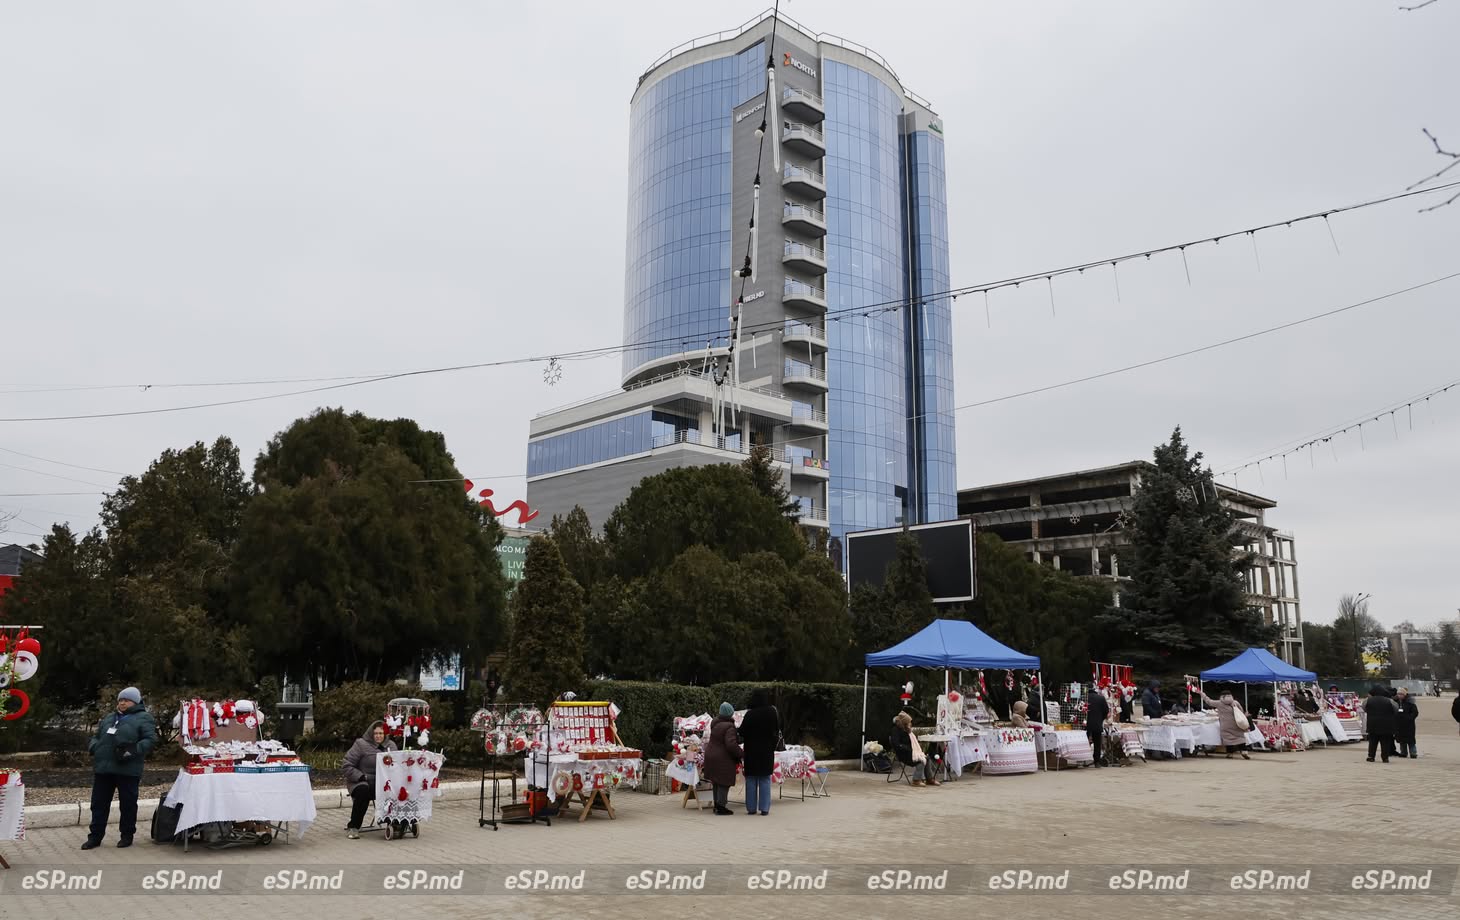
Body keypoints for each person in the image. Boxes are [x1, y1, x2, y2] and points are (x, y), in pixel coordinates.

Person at [83, 687, 158, 850]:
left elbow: (150, 739)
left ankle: (127, 835)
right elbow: (96, 737)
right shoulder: (109, 717)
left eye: (127, 700)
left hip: (128, 769)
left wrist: (131, 751)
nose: (123, 702)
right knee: (98, 804)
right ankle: (95, 837)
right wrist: (94, 747)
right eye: (121, 700)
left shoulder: (144, 718)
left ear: (135, 702)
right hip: (104, 768)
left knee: (128, 804)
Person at [343, 720, 397, 838]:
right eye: (376, 733)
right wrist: (361, 776)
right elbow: (347, 765)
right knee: (363, 791)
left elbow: (397, 765)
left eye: (381, 733)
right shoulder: (361, 744)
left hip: (383, 783)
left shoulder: (391, 746)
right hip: (363, 780)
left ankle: (398, 823)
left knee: (399, 790)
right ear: (371, 734)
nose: (378, 736)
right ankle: (354, 826)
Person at [737, 690, 782, 815]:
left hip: (751, 751)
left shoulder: (750, 714)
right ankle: (764, 808)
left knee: (751, 779)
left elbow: (741, 732)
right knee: (765, 779)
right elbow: (776, 730)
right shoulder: (772, 712)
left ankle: (751, 808)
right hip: (767, 751)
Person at [702, 702, 742, 816]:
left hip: (711, 755)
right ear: (730, 713)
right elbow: (731, 745)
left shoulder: (715, 723)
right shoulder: (729, 727)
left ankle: (716, 805)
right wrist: (741, 753)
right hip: (722, 758)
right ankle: (721, 807)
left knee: (716, 781)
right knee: (724, 782)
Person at [890, 711, 939, 787]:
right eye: (909, 722)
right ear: (904, 723)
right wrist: (908, 749)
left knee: (927, 758)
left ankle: (930, 779)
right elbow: (896, 744)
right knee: (920, 761)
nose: (910, 723)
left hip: (910, 752)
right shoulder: (896, 730)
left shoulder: (907, 730)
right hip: (904, 754)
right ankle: (916, 780)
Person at [1200, 689, 1250, 760]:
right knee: (1240, 737)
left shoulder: (1219, 703)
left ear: (1222, 696)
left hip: (1225, 726)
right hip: (1236, 724)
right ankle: (1244, 751)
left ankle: (1230, 753)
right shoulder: (1235, 702)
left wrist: (1203, 695)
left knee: (1228, 739)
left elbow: (1209, 702)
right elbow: (1241, 711)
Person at [1363, 685, 1398, 763]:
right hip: (1386, 725)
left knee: (1372, 742)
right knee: (1385, 742)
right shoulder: (1390, 701)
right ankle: (1385, 758)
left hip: (1372, 724)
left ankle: (1371, 756)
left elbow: (1364, 708)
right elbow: (1396, 709)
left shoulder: (1368, 700)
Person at [1086, 687, 1111, 767]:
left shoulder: (1084, 698)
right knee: (1097, 742)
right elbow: (1106, 711)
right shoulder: (1101, 698)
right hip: (1097, 723)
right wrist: (1101, 719)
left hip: (1085, 724)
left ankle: (1083, 758)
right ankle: (1097, 761)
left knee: (1085, 741)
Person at [1394, 688, 1419, 759]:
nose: (1400, 695)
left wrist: (1409, 718)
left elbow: (1415, 712)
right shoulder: (1395, 702)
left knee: (1411, 740)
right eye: (1398, 694)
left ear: (1405, 694)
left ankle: (1413, 753)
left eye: (1401, 694)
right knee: (1401, 740)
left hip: (1409, 724)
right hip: (1399, 724)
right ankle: (1403, 752)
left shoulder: (1410, 703)